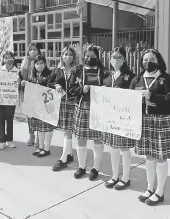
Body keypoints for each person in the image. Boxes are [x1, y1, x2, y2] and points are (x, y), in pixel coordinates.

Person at [130, 49, 170, 206]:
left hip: (160, 120)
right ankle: (149, 188)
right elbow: (130, 97)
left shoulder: (165, 79)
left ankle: (160, 191)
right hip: (144, 120)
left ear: (158, 61)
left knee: (160, 156)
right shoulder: (138, 78)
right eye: (145, 60)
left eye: (152, 59)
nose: (148, 62)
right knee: (149, 156)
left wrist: (152, 97)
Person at [69, 44, 106, 180]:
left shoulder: (103, 71)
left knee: (98, 138)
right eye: (87, 56)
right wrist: (81, 90)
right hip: (82, 106)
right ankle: (82, 167)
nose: (89, 58)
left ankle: (95, 168)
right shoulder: (77, 70)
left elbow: (109, 88)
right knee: (81, 138)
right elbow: (71, 89)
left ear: (97, 57)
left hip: (98, 108)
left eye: (92, 56)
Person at [103, 47, 135, 190]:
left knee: (123, 147)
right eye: (113, 57)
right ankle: (115, 176)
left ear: (124, 59)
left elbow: (134, 94)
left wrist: (122, 93)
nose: (115, 60)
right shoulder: (107, 74)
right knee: (113, 147)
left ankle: (126, 177)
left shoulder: (130, 76)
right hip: (110, 116)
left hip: (123, 116)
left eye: (119, 57)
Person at [48, 46, 77, 171]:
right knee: (66, 129)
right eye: (65, 54)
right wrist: (56, 84)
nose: (68, 56)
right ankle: (69, 154)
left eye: (70, 54)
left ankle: (64, 158)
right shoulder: (58, 70)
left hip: (73, 102)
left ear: (73, 57)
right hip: (61, 103)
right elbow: (49, 82)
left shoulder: (77, 70)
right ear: (62, 56)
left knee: (68, 130)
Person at [22, 54, 53, 157]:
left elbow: (52, 88)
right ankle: (41, 147)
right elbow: (30, 87)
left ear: (45, 64)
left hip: (47, 104)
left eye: (41, 63)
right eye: (37, 63)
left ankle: (47, 148)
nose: (39, 66)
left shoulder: (50, 75)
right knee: (40, 127)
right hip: (37, 106)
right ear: (34, 65)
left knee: (47, 126)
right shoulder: (33, 76)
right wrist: (25, 83)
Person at [0, 51, 19, 150]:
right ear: (3, 60)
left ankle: (10, 140)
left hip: (10, 100)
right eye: (6, 58)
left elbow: (19, 84)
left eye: (10, 57)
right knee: (0, 120)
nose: (8, 59)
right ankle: (2, 141)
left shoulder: (17, 71)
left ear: (13, 59)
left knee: (9, 120)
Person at [21, 43, 41, 147]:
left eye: (35, 49)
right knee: (30, 115)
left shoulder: (40, 60)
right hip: (28, 90)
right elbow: (23, 76)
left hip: (38, 91)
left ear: (38, 51)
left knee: (38, 114)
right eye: (31, 49)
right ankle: (31, 135)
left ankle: (39, 137)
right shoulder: (26, 61)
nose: (33, 51)